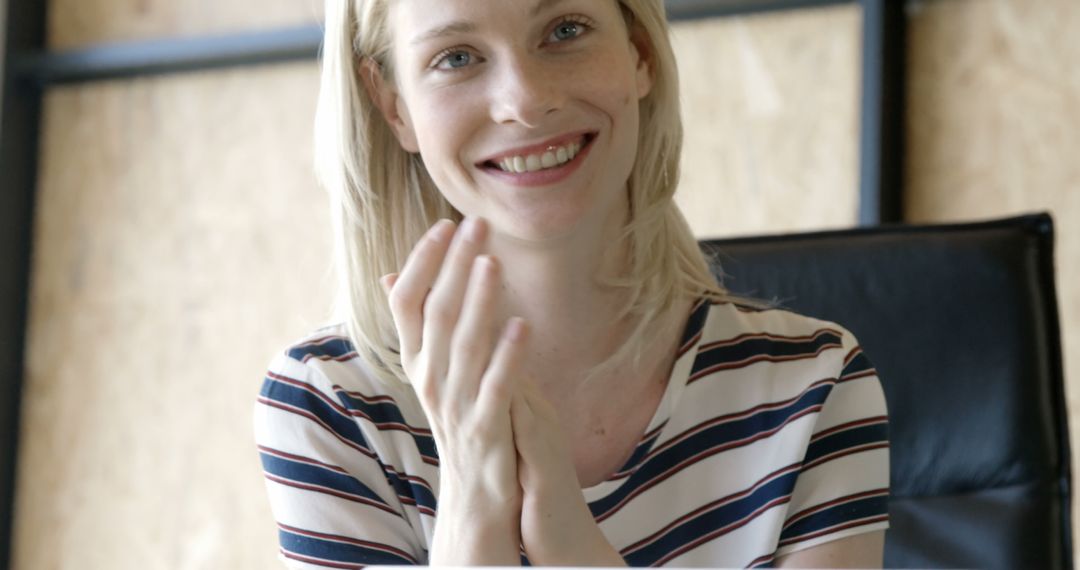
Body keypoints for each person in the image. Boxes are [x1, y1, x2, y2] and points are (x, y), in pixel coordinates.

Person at [254, 0, 890, 567]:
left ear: (639, 52)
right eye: (456, 57)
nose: (525, 100)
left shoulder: (814, 382)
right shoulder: (329, 408)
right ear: (394, 105)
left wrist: (567, 541)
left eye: (565, 29)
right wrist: (475, 494)